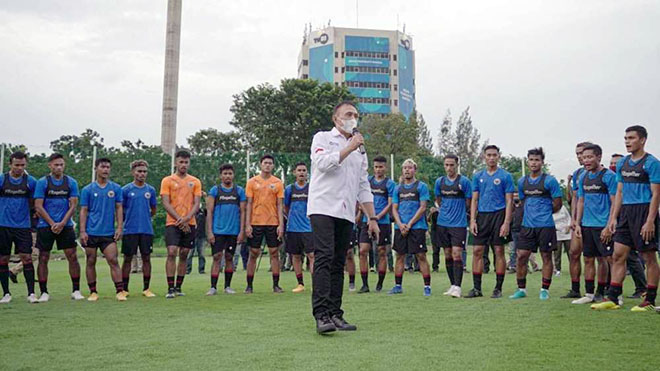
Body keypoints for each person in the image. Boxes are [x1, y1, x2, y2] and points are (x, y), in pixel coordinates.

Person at [307, 101, 379, 334]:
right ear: (336, 118)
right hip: (323, 207)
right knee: (325, 257)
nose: (353, 118)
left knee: (340, 260)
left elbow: (362, 184)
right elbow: (322, 163)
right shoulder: (323, 138)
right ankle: (321, 315)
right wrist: (350, 147)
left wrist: (372, 217)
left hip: (346, 211)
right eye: (348, 114)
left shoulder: (360, 151)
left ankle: (335, 313)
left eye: (356, 115)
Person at [593, 125, 660, 311]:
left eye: (631, 138)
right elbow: (620, 192)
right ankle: (613, 299)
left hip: (643, 211)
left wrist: (649, 221)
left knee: (648, 257)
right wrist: (613, 218)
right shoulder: (622, 164)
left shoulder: (652, 163)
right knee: (617, 255)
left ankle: (650, 300)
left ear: (643, 140)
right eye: (625, 138)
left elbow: (656, 194)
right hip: (625, 214)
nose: (627, 142)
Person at [510, 148, 562, 300]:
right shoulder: (522, 182)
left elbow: (557, 204)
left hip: (546, 225)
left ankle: (544, 290)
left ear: (542, 162)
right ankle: (521, 289)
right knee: (521, 256)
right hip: (527, 226)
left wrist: (543, 213)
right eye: (531, 160)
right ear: (528, 161)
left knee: (546, 256)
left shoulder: (549, 181)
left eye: (537, 160)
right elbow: (522, 201)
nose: (534, 163)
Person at [33, 153, 83, 302]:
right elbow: (38, 206)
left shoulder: (70, 182)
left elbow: (73, 205)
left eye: (61, 164)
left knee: (72, 256)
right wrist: (52, 223)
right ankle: (44, 292)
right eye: (56, 165)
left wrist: (62, 223)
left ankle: (76, 290)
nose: (59, 167)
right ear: (50, 166)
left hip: (65, 225)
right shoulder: (43, 182)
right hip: (45, 225)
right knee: (43, 257)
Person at [571, 144, 617, 304]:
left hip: (603, 225)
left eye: (589, 157)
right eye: (583, 158)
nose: (586, 161)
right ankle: (589, 294)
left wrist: (610, 224)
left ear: (599, 157)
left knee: (607, 259)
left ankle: (614, 294)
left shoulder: (609, 176)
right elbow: (580, 201)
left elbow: (614, 202)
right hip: (586, 225)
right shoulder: (583, 177)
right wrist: (577, 223)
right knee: (588, 259)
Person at [467, 145, 515, 298]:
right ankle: (476, 288)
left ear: (499, 156)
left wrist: (506, 222)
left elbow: (509, 201)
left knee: (499, 251)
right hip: (482, 217)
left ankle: (498, 288)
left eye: (494, 155)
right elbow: (474, 199)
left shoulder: (505, 176)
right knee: (477, 251)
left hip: (499, 215)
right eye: (489, 155)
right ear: (484, 157)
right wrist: (473, 220)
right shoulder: (477, 176)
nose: (492, 158)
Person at [79, 158, 125, 302]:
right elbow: (84, 210)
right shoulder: (87, 189)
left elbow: (119, 208)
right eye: (103, 167)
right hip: (91, 232)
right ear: (96, 168)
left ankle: (120, 291)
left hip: (108, 233)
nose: (105, 170)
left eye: (108, 167)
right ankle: (93, 292)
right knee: (90, 261)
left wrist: (119, 227)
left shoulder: (115, 188)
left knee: (113, 260)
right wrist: (82, 231)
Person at [161, 150, 202, 298]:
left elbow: (196, 204)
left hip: (189, 222)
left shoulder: (195, 181)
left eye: (186, 162)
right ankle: (170, 287)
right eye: (181, 162)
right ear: (176, 163)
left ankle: (179, 286)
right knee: (172, 251)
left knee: (184, 253)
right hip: (173, 222)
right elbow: (165, 202)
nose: (183, 165)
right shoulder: (167, 180)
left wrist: (187, 219)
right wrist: (179, 219)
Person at [389, 159, 432, 296]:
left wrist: (410, 223)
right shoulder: (398, 188)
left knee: (421, 256)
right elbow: (394, 209)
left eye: (410, 168)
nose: (407, 170)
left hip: (417, 227)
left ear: (415, 169)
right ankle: (397, 286)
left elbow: (423, 207)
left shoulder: (421, 187)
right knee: (399, 256)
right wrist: (400, 224)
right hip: (400, 228)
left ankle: (427, 287)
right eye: (405, 168)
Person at [0, 152, 38, 304]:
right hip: (3, 226)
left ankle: (31, 293)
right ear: (10, 164)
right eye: (16, 165)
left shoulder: (31, 182)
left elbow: (36, 203)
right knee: (3, 259)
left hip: (23, 226)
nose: (19, 168)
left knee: (27, 258)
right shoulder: (2, 180)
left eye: (22, 165)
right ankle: (6, 293)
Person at [244, 154, 285, 294]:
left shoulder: (278, 182)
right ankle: (249, 285)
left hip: (272, 223)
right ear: (260, 165)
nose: (267, 165)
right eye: (265, 163)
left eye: (270, 163)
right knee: (253, 253)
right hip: (255, 222)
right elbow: (248, 204)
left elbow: (280, 205)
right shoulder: (252, 182)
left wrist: (281, 225)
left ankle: (276, 285)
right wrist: (247, 224)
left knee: (274, 253)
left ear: (273, 166)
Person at [435, 154, 472, 298]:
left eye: (451, 165)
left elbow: (469, 202)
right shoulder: (440, 182)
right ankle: (452, 285)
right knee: (448, 254)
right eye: (446, 165)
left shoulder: (464, 182)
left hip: (458, 224)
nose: (449, 168)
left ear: (457, 165)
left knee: (457, 253)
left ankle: (458, 286)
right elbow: (438, 200)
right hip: (443, 223)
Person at [206, 164, 246, 296]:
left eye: (230, 173)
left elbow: (243, 212)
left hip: (233, 231)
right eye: (225, 174)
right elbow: (209, 212)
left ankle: (227, 286)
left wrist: (241, 231)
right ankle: (213, 287)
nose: (227, 176)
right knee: (217, 257)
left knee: (229, 257)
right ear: (220, 176)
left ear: (233, 175)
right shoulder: (215, 190)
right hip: (218, 231)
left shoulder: (239, 191)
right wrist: (210, 232)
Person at [611, 153, 647, 298]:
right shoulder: (616, 177)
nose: (613, 165)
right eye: (611, 162)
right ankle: (613, 293)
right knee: (618, 255)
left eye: (616, 162)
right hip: (620, 218)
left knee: (634, 256)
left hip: (635, 215)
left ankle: (643, 289)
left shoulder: (646, 166)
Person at [357, 156, 395, 293]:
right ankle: (364, 284)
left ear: (385, 167)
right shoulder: (367, 182)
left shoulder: (390, 184)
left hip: (382, 222)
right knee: (362, 251)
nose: (378, 169)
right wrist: (369, 216)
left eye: (381, 167)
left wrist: (377, 217)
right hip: (366, 221)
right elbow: (360, 198)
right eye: (376, 167)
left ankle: (379, 284)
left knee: (381, 252)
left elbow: (390, 203)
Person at [120, 160, 158, 298]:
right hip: (130, 229)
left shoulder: (151, 190)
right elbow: (120, 210)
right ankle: (124, 289)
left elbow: (153, 209)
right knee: (128, 259)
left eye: (144, 171)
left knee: (146, 258)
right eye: (139, 171)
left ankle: (146, 288)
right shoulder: (125, 190)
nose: (142, 174)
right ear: (133, 172)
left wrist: (145, 218)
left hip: (146, 230)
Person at [563, 142, 592, 299]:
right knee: (574, 253)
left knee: (600, 258)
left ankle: (603, 288)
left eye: (583, 153)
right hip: (579, 221)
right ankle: (575, 289)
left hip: (597, 221)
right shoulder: (577, 174)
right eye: (578, 154)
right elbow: (575, 198)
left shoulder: (605, 174)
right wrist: (574, 219)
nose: (580, 157)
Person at [284, 162, 314, 293]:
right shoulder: (289, 189)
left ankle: (316, 283)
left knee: (312, 255)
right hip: (293, 228)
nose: (301, 173)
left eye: (304, 170)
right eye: (299, 170)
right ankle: (300, 283)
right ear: (294, 173)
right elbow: (285, 207)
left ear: (307, 173)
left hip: (309, 228)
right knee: (295, 256)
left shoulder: (312, 188)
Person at [552, 204, 572, 276]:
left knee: (570, 252)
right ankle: (558, 270)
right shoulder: (550, 209)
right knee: (557, 253)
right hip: (557, 234)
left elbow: (569, 218)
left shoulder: (563, 208)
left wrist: (569, 226)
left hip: (567, 233)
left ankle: (573, 267)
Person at [186, 206, 207, 274]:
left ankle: (201, 270)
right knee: (189, 254)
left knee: (202, 254)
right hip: (191, 236)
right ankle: (187, 269)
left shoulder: (203, 212)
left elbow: (209, 209)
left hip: (202, 236)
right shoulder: (190, 212)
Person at [507, 193, 524, 273]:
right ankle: (513, 267)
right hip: (513, 231)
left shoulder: (523, 207)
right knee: (512, 250)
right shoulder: (510, 208)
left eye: (517, 196)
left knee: (523, 250)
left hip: (522, 231)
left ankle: (524, 266)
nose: (515, 197)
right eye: (514, 196)